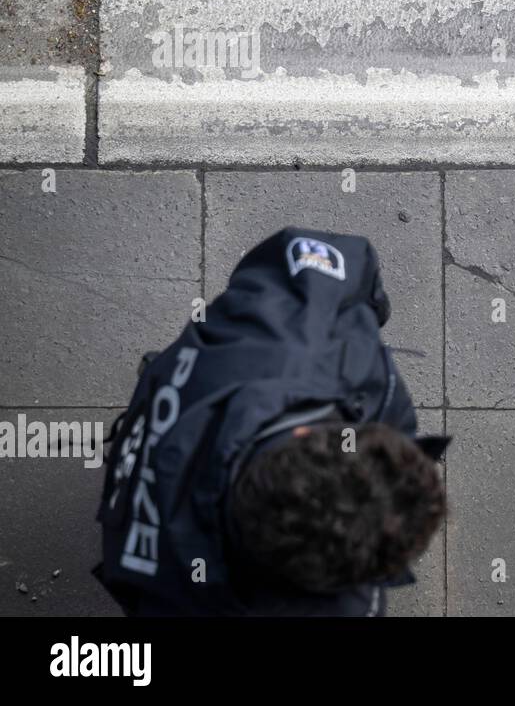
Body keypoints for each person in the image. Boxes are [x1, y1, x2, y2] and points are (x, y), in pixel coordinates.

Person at [93, 228, 447, 615]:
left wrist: (366, 313)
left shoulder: (299, 322)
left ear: (301, 434)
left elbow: (336, 263)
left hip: (187, 393)